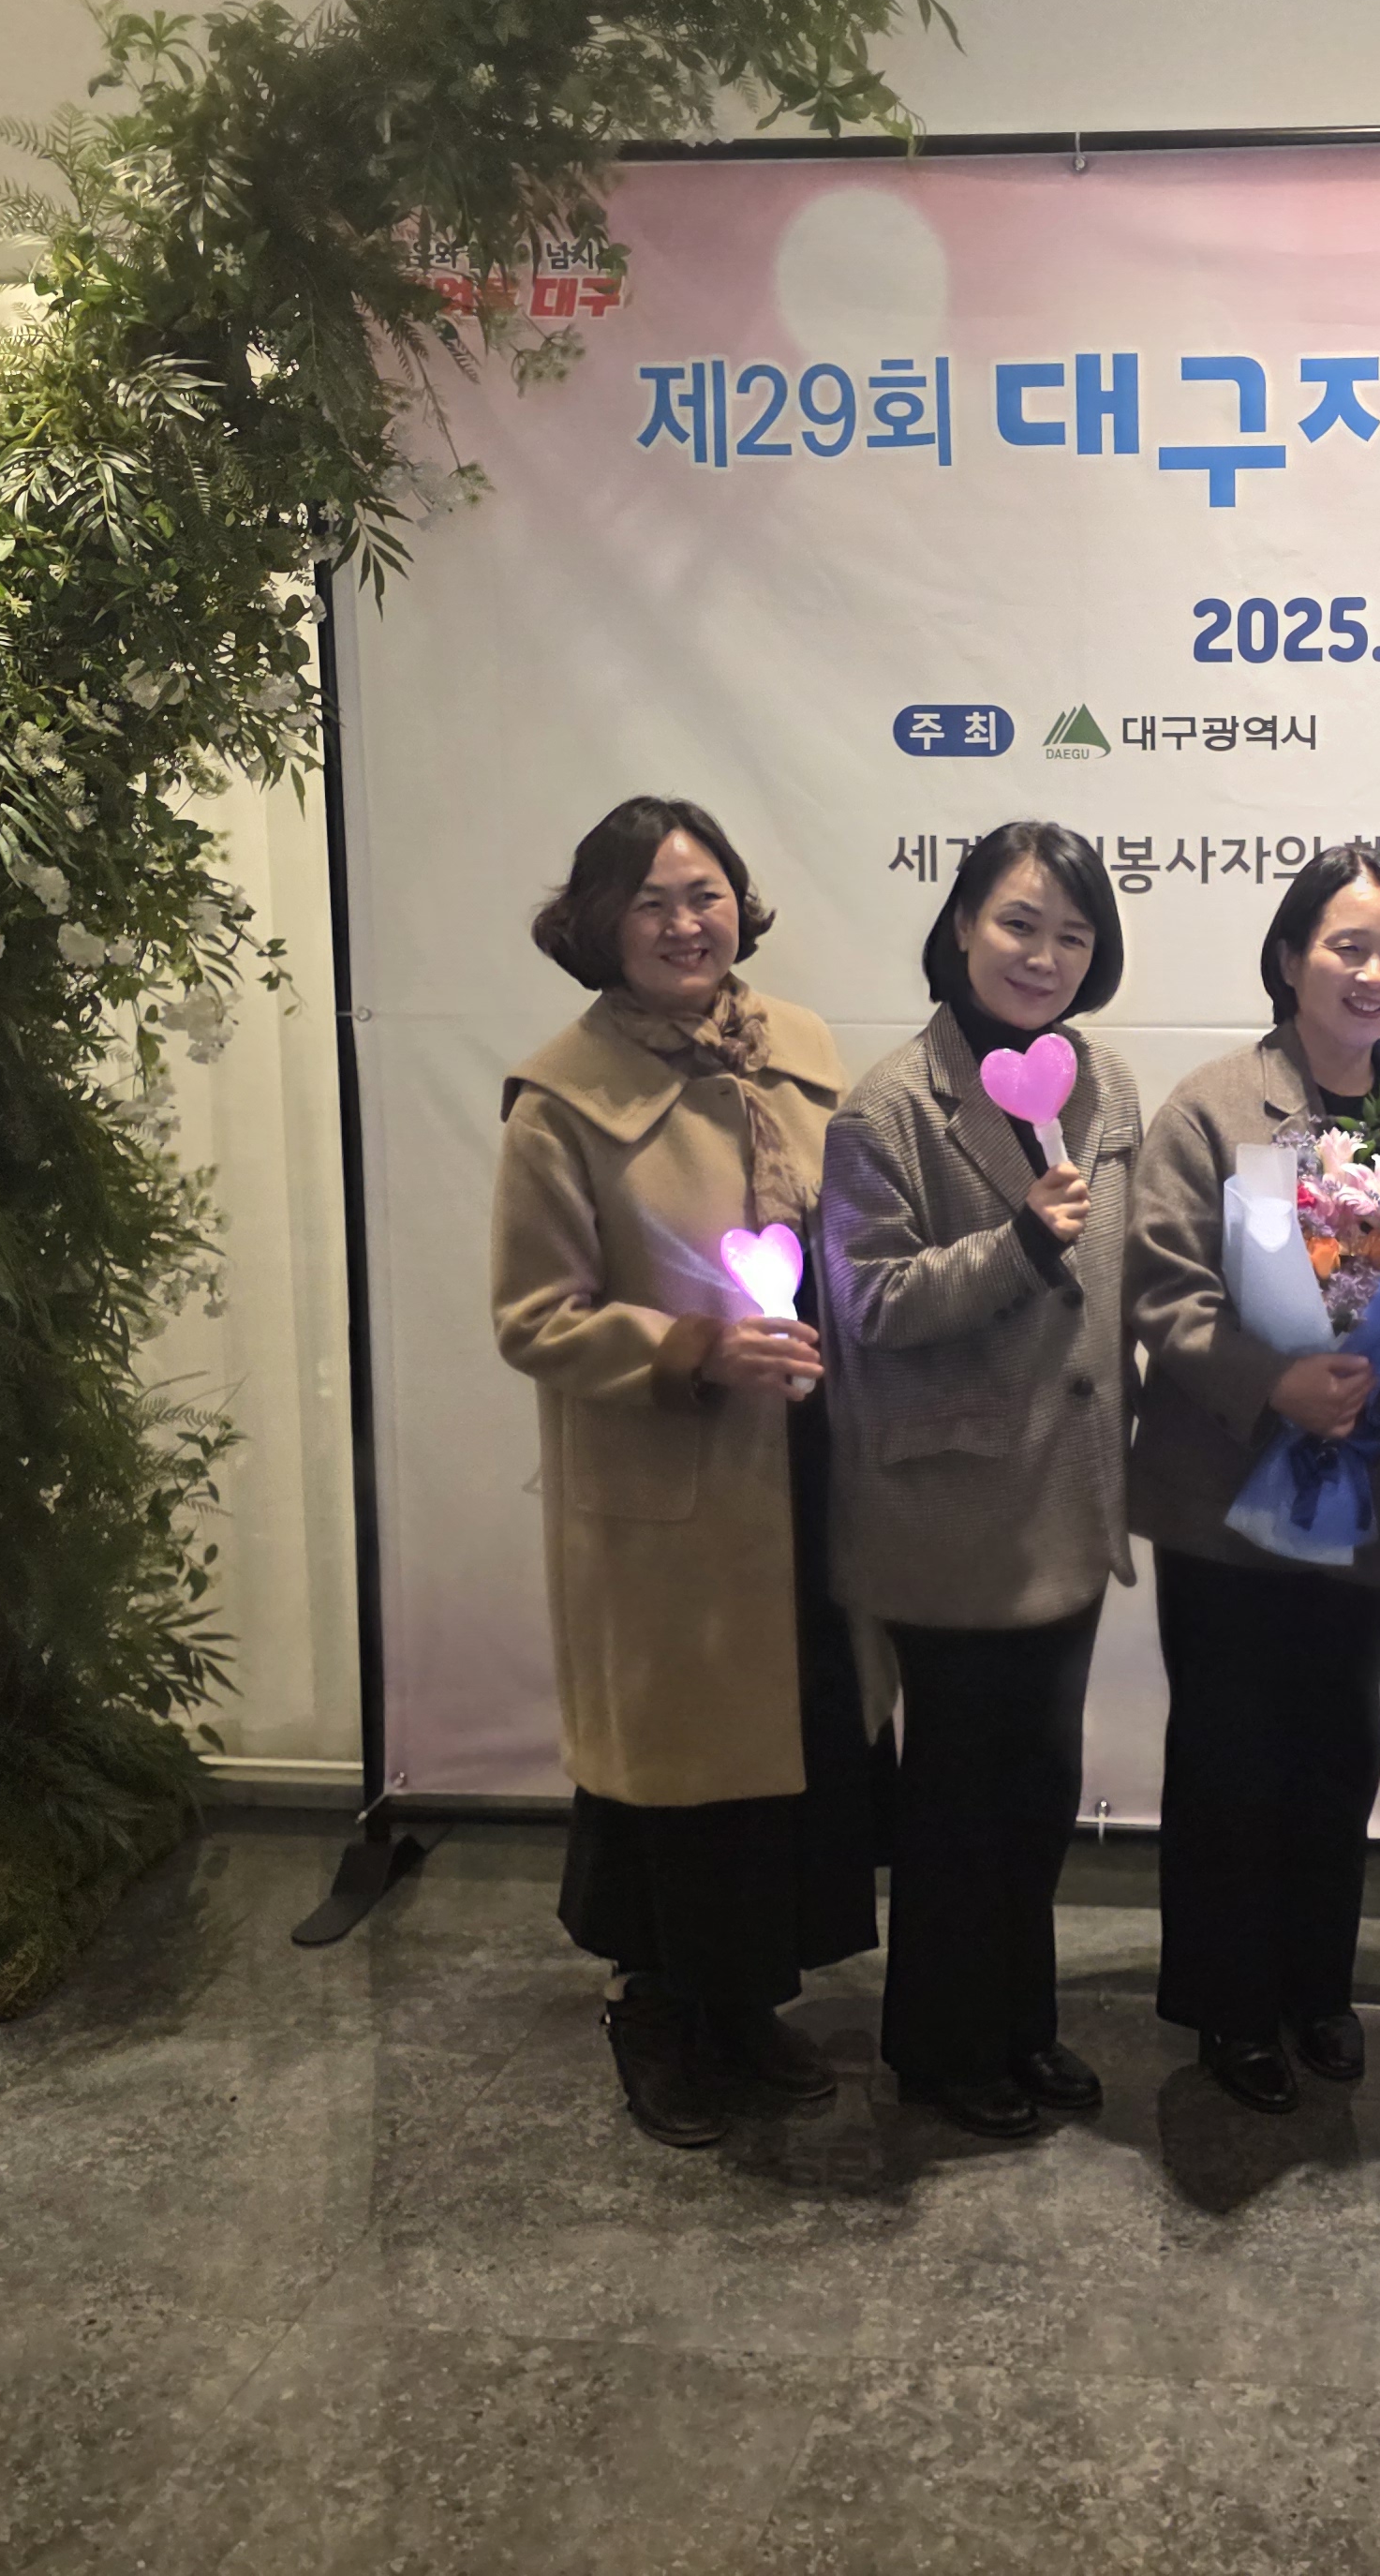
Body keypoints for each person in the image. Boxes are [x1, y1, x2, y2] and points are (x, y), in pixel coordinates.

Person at [491, 796, 883, 2150]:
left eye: (705, 893)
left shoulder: (806, 1056)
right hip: (673, 1490)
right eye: (651, 901)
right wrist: (694, 1350)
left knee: (793, 1751)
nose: (684, 923)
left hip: (808, 1470)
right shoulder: (561, 1100)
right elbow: (533, 1317)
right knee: (673, 1771)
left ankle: (747, 2004)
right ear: (599, 923)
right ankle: (655, 2007)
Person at [1126, 846, 1380, 2113]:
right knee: (1230, 1753)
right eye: (1347, 946)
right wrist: (1273, 1379)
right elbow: (1162, 1284)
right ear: (1288, 958)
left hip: (1366, 1484)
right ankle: (1230, 2006)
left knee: (1334, 1746)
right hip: (1227, 1492)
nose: (1374, 973)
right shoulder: (1214, 1106)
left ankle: (1317, 1986)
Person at [820, 819, 1142, 2142]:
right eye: (1018, 923)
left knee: (1036, 1793)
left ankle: (1020, 2022)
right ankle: (942, 2051)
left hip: (1072, 1496)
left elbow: (1124, 1274)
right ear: (961, 926)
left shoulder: (1105, 1084)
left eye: (1071, 933)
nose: (1042, 955)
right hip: (952, 1510)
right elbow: (870, 1304)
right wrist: (1016, 1244)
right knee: (959, 1801)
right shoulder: (889, 1106)